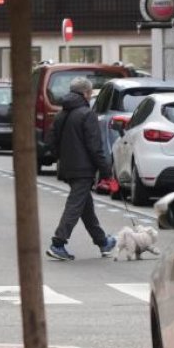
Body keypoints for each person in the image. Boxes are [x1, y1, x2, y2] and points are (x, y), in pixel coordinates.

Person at [46, 76, 116, 261]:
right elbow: (95, 146)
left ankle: (103, 242)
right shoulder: (86, 114)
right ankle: (58, 243)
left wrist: (60, 156)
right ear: (86, 93)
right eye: (91, 93)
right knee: (75, 205)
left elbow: (51, 140)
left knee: (86, 207)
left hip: (68, 167)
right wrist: (106, 170)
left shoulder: (62, 114)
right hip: (84, 169)